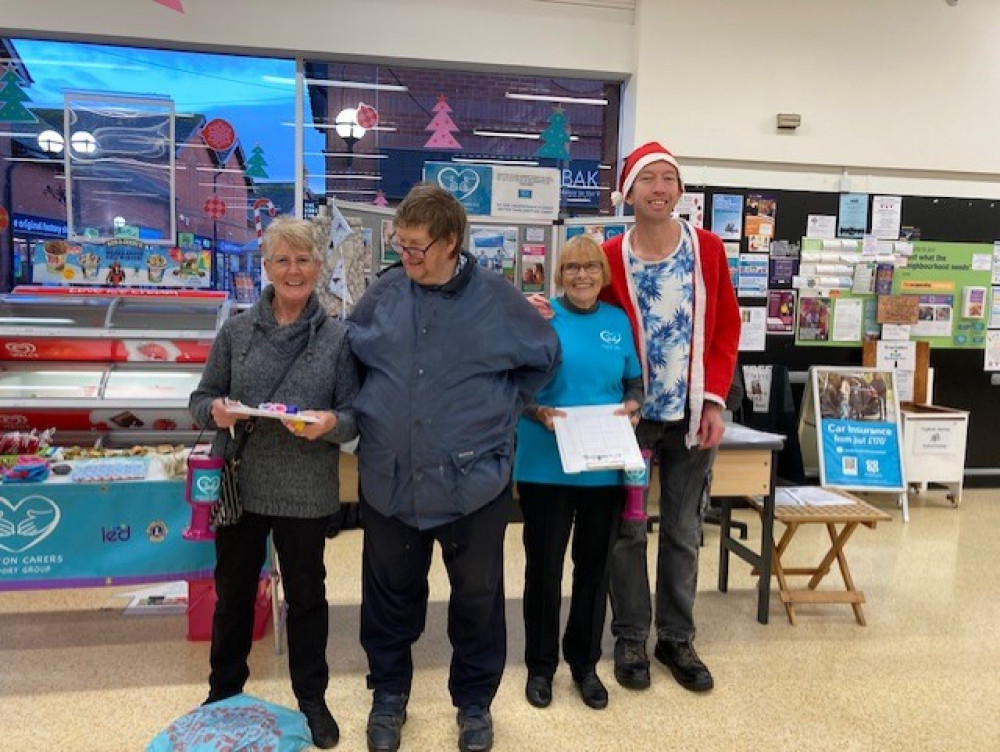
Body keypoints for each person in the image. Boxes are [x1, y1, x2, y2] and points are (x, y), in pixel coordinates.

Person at [347, 183, 560, 752]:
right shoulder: (384, 293)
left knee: (477, 601)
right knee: (389, 598)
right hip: (390, 482)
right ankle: (388, 698)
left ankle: (473, 705)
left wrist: (502, 410)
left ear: (450, 243)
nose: (405, 258)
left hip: (473, 487)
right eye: (400, 245)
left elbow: (544, 358)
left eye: (416, 248)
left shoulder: (498, 299)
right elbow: (353, 356)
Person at [188, 217, 359, 749]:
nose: (293, 270)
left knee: (307, 596)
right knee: (234, 593)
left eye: (303, 260)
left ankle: (312, 698)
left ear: (318, 266)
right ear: (266, 268)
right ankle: (223, 693)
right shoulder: (236, 331)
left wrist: (330, 424)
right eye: (282, 260)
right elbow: (200, 401)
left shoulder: (338, 339)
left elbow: (355, 414)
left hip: (305, 488)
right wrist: (215, 410)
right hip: (241, 484)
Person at [602, 142, 740, 695]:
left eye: (669, 179)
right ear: (629, 192)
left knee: (684, 530)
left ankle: (676, 637)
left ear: (680, 192)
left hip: (691, 415)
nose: (659, 188)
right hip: (632, 421)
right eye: (648, 179)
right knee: (627, 530)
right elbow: (592, 322)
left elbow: (727, 326)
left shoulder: (706, 248)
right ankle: (631, 635)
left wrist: (714, 401)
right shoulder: (610, 255)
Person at [514, 235, 642, 712]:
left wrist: (634, 405)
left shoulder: (617, 321)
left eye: (590, 266)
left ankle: (585, 664)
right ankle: (540, 667)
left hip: (602, 467)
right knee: (543, 571)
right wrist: (537, 412)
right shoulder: (540, 317)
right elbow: (512, 380)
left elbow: (633, 381)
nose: (582, 275)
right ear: (559, 274)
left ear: (603, 274)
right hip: (545, 463)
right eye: (571, 268)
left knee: (594, 569)